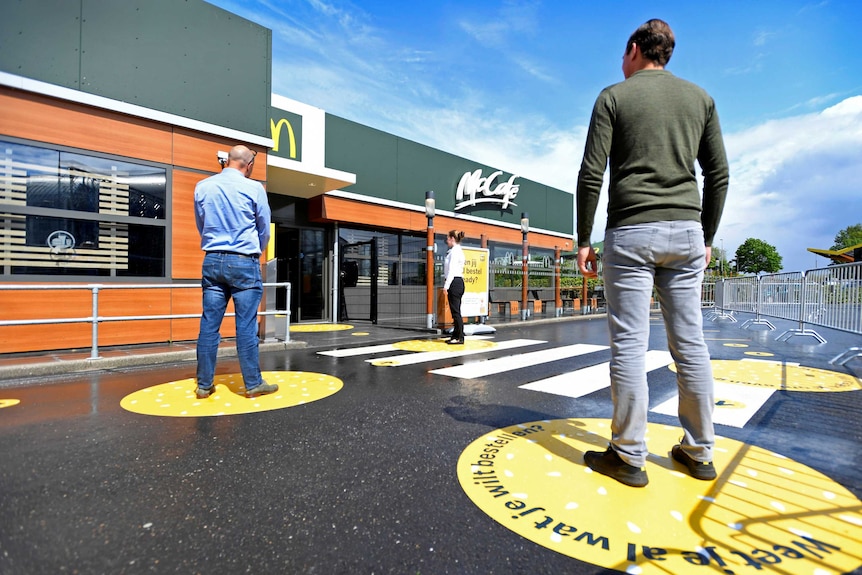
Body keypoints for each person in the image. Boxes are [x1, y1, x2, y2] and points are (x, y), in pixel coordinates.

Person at [576, 19, 730, 487]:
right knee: (690, 343)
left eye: (622, 55)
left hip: (631, 231)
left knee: (629, 343)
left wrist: (583, 238)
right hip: (686, 233)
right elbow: (718, 174)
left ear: (633, 49)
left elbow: (590, 174)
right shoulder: (700, 98)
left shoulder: (613, 97)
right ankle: (699, 452)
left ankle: (628, 454)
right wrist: (705, 236)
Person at [193, 145, 278, 399]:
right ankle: (253, 384)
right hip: (244, 261)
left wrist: (215, 246)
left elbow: (202, 223)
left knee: (209, 325)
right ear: (249, 165)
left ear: (227, 161)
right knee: (246, 325)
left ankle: (204, 385)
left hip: (212, 260)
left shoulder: (203, 186)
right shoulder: (254, 189)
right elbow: (264, 228)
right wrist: (255, 252)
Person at [443, 230, 466, 345]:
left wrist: (446, 286)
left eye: (448, 238)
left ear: (452, 238)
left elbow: (452, 270)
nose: (446, 241)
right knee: (455, 311)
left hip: (454, 282)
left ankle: (459, 337)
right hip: (457, 281)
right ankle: (456, 335)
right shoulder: (456, 251)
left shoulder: (455, 252)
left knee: (455, 312)